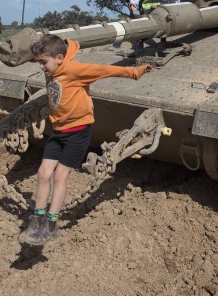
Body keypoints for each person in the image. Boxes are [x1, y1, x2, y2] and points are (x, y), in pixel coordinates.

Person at [18, 34, 153, 246]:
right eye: (40, 63)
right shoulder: (51, 67)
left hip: (77, 133)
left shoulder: (74, 70)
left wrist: (135, 72)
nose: (41, 67)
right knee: (43, 173)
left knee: (59, 177)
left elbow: (106, 71)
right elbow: (45, 52)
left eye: (44, 63)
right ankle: (38, 218)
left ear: (60, 58)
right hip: (59, 132)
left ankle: (51, 225)